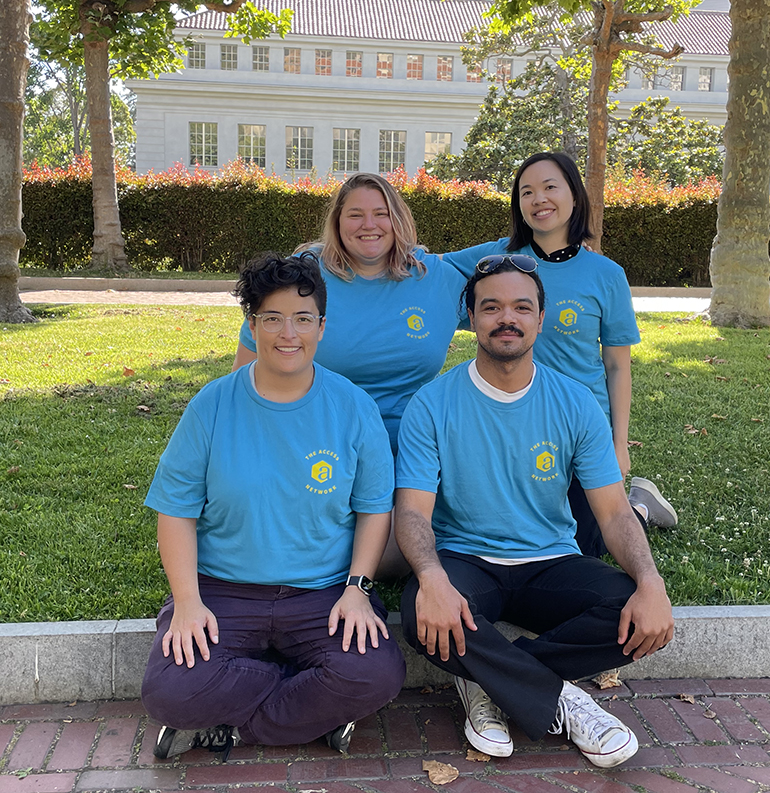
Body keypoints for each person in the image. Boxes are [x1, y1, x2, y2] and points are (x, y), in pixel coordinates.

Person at [394, 255, 674, 767]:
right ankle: (564, 698)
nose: (508, 318)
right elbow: (411, 512)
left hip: (550, 561)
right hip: (467, 561)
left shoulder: (574, 402)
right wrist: (431, 575)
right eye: (492, 307)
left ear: (540, 319)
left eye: (522, 307)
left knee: (632, 608)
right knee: (421, 610)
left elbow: (613, 514)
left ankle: (489, 682)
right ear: (471, 317)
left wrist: (651, 582)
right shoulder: (432, 403)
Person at [142, 252, 405, 761]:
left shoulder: (353, 406)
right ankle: (308, 700)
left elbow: (375, 509)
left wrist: (357, 589)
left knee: (376, 674)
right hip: (225, 592)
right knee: (168, 691)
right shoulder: (212, 405)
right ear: (252, 325)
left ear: (322, 327)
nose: (289, 333)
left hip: (323, 594)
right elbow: (175, 511)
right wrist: (189, 602)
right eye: (273, 318)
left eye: (303, 318)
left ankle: (231, 728)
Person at [442, 152, 677, 558]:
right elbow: (426, 269)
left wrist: (618, 444)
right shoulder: (498, 260)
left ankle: (638, 503)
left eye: (550, 187)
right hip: (507, 421)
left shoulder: (606, 275)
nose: (539, 199)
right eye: (526, 192)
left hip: (578, 428)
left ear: (574, 194)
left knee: (587, 544)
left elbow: (617, 366)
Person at [232, 173, 466, 458]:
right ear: (337, 222)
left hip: (413, 450)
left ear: (399, 220)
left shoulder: (437, 277)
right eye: (355, 215)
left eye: (382, 214)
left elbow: (508, 317)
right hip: (315, 445)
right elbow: (244, 377)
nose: (369, 225)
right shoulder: (302, 276)